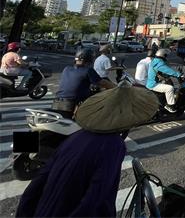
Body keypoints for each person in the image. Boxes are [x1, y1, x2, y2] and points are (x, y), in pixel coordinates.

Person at [16, 82, 159, 218]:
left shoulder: (75, 136)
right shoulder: (113, 144)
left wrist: (25, 212)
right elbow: (97, 195)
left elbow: (38, 181)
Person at [52, 48, 115, 119]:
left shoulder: (66, 69)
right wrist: (117, 87)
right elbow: (104, 83)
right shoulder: (88, 70)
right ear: (89, 60)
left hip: (56, 102)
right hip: (70, 105)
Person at [146, 48, 181, 113]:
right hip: (153, 84)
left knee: (168, 82)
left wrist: (169, 75)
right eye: (166, 55)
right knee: (170, 88)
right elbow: (167, 70)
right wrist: (178, 74)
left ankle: (165, 101)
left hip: (152, 82)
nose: (166, 57)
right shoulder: (159, 63)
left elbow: (163, 72)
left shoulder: (155, 61)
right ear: (162, 55)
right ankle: (170, 106)